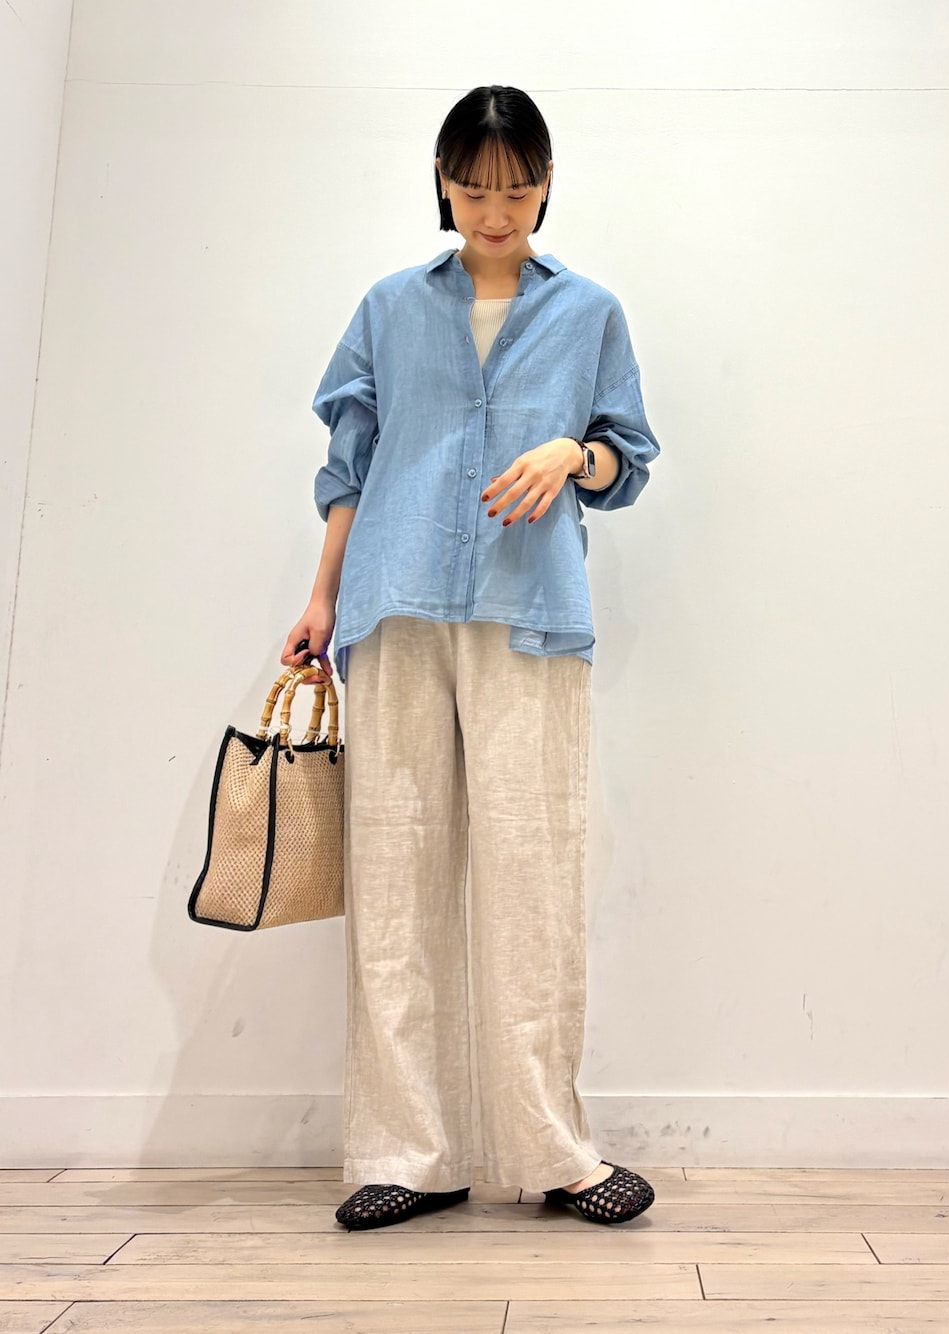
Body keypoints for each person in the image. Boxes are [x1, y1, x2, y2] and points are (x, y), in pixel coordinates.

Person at [281, 85, 661, 1231]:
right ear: (443, 184)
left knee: (530, 875)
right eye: (473, 185)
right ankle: (408, 1149)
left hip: (527, 610)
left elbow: (628, 458)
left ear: (546, 184)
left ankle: (552, 1148)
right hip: (393, 604)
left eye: (517, 185)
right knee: (395, 874)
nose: (495, 209)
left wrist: (572, 452)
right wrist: (319, 597)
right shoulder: (391, 306)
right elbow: (351, 463)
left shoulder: (588, 312)